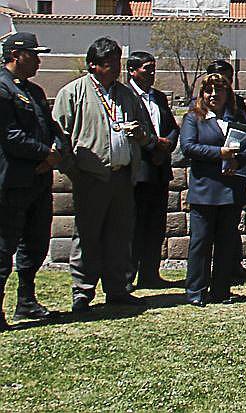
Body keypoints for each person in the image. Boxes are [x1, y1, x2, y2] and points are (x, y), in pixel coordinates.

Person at [53, 37, 156, 312]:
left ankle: (117, 288)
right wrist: (74, 170)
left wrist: (140, 135)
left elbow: (147, 134)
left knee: (120, 235)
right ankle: (83, 291)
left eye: (116, 62)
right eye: (109, 63)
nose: (115, 68)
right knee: (88, 234)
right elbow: (59, 138)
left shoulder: (127, 95)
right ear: (93, 65)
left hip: (122, 176)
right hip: (91, 176)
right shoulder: (73, 92)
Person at [0, 32, 65, 329]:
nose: (38, 60)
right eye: (33, 54)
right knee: (4, 247)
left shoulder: (35, 92)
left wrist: (57, 150)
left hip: (39, 181)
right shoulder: (3, 89)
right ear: (16, 55)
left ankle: (26, 301)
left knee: (35, 243)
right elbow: (10, 136)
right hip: (13, 180)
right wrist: (45, 154)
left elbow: (51, 127)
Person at [179, 73, 246, 306]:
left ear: (228, 93)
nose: (214, 95)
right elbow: (188, 147)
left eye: (219, 90)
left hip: (231, 190)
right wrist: (220, 154)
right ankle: (196, 291)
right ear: (202, 94)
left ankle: (221, 290)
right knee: (201, 242)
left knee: (226, 243)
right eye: (209, 90)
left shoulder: (235, 117)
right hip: (205, 190)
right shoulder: (193, 118)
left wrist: (238, 160)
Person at [125, 52, 179, 290]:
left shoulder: (158, 97)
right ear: (132, 71)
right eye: (146, 68)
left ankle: (150, 273)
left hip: (159, 170)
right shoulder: (125, 96)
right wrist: (153, 146)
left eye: (153, 68)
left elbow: (172, 128)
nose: (151, 73)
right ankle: (127, 276)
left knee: (155, 225)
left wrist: (167, 145)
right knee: (134, 226)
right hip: (138, 171)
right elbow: (129, 130)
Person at [206, 59, 246, 282]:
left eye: (228, 78)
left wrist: (240, 158)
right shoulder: (200, 105)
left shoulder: (237, 104)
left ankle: (232, 265)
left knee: (231, 223)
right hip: (210, 172)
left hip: (234, 170)